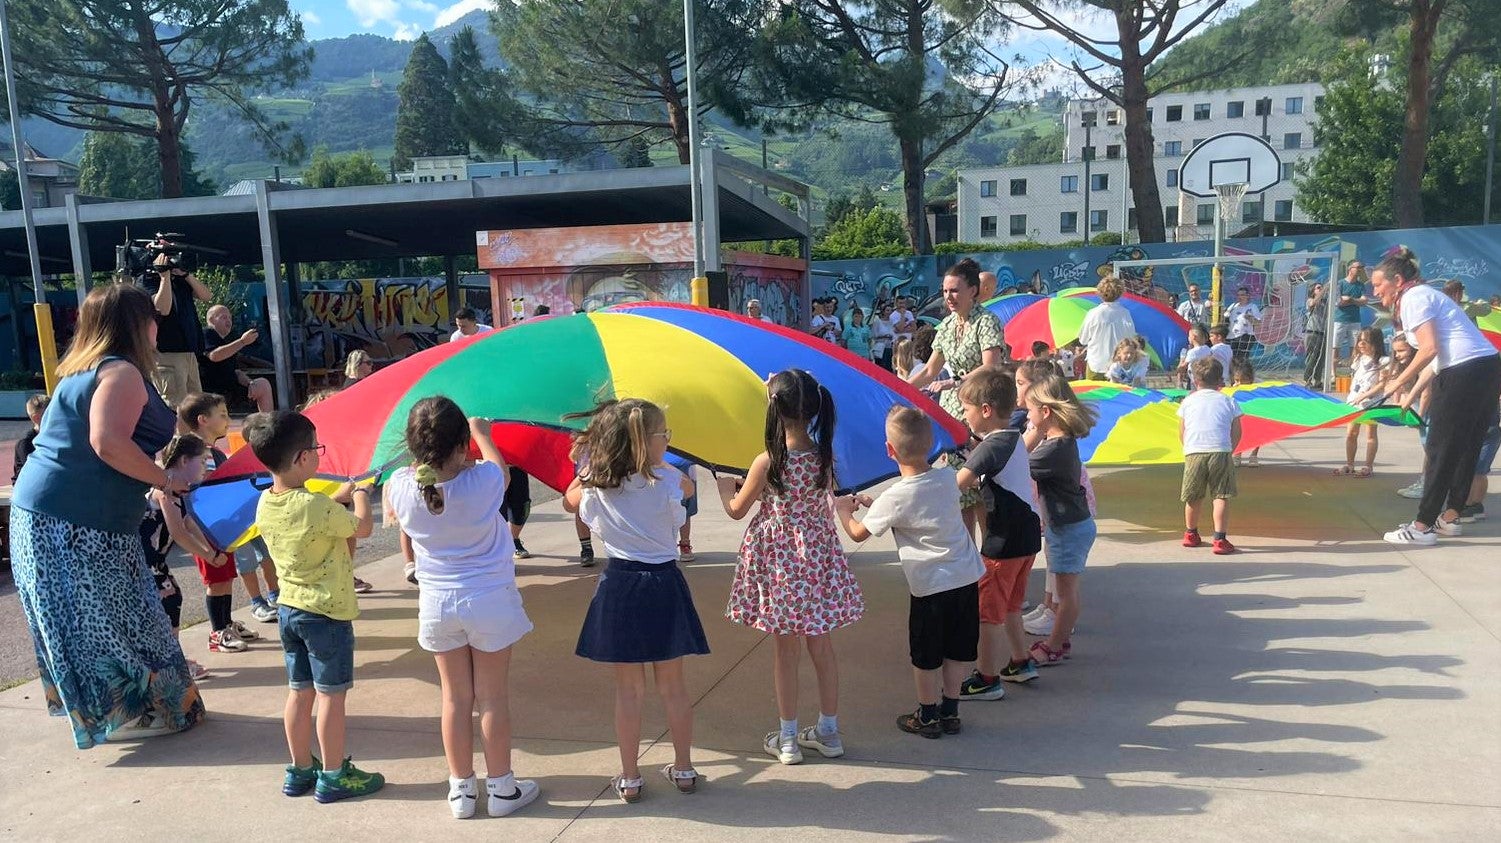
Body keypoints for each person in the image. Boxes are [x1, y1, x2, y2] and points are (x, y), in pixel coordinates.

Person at [9, 282, 203, 748]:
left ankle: (139, 711)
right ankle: (150, 710)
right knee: (115, 616)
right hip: (74, 521)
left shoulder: (84, 370)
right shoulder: (121, 374)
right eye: (152, 319)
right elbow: (107, 442)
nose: (159, 326)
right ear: (138, 326)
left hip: (55, 514)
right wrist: (164, 480)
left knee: (110, 615)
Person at [385, 398, 539, 818]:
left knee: (454, 699)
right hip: (489, 599)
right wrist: (483, 432)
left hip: (437, 603)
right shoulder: (484, 480)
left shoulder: (399, 485)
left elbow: (419, 479)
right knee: (492, 698)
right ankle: (503, 788)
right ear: (461, 445)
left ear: (413, 445)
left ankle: (461, 791)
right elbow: (501, 470)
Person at [717, 369, 864, 766]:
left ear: (774, 410)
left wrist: (722, 487)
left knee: (785, 651)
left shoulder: (767, 461)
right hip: (817, 556)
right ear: (815, 407)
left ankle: (787, 738)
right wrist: (788, 388)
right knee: (822, 645)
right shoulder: (824, 455)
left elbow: (736, 510)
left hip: (780, 562)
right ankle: (829, 731)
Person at [565, 398, 707, 802]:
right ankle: (683, 768)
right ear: (648, 443)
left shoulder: (598, 487)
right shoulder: (667, 482)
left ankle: (629, 776)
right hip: (664, 583)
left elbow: (570, 499)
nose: (669, 442)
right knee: (674, 687)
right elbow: (685, 496)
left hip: (620, 584)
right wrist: (663, 470)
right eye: (665, 435)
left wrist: (589, 465)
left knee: (628, 691)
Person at [245, 409, 384, 802]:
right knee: (331, 696)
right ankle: (335, 773)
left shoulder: (266, 503)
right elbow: (363, 527)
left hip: (290, 610)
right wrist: (360, 494)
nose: (319, 454)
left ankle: (301, 769)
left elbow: (310, 512)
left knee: (299, 692)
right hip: (327, 614)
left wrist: (337, 496)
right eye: (316, 448)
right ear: (302, 458)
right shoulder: (314, 507)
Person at [833, 406, 985, 738]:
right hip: (965, 577)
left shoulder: (895, 497)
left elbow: (858, 533)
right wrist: (880, 506)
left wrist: (844, 511)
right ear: (931, 446)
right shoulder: (947, 478)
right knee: (958, 648)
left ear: (889, 450)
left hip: (930, 586)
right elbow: (923, 505)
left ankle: (927, 715)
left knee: (926, 652)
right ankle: (950, 711)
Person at [1371, 247, 1501, 546]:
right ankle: (1451, 516)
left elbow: (1428, 349)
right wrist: (1410, 393)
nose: (1376, 292)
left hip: (1464, 372)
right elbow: (1437, 357)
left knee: (1440, 448)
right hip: (1485, 367)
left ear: (1398, 280)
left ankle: (1422, 525)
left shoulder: (1414, 298)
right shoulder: (1427, 295)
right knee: (1467, 445)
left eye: (1379, 285)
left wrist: (1397, 381)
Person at [953, 369, 1042, 700]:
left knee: (988, 612)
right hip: (1026, 535)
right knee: (1011, 605)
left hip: (1003, 542)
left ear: (986, 409)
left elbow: (956, 485)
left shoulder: (992, 447)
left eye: (966, 409)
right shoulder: (1012, 437)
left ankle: (987, 678)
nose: (964, 415)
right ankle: (1020, 662)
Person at [906, 258, 1007, 536]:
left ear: (973, 290)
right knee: (959, 491)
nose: (948, 297)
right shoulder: (947, 326)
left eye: (955, 290)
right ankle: (969, 561)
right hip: (954, 413)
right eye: (945, 291)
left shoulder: (986, 321)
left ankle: (991, 559)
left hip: (983, 411)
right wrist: (901, 389)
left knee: (984, 488)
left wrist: (955, 381)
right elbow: (929, 370)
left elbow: (991, 368)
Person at [178, 392, 281, 624]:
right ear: (203, 419)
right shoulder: (196, 451)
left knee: (226, 577)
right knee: (218, 580)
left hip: (226, 522)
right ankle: (221, 629)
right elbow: (202, 486)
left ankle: (227, 625)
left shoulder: (211, 450)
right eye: (222, 415)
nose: (227, 420)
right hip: (207, 526)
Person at [1021, 376, 1098, 667]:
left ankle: (1055, 645)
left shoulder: (1053, 450)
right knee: (1067, 589)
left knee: (1066, 595)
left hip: (1068, 529)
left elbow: (1017, 467)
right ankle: (1060, 637)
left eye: (1030, 409)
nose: (1027, 415)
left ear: (1046, 412)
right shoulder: (1059, 441)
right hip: (1070, 526)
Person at [143, 434, 220, 682]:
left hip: (156, 563)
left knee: (171, 598)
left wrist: (213, 549)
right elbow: (178, 532)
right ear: (184, 460)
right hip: (144, 565)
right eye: (202, 461)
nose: (206, 467)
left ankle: (172, 658)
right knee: (169, 598)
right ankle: (172, 663)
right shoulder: (164, 490)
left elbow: (189, 522)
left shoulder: (179, 490)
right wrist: (208, 555)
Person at [1179, 358, 1243, 555]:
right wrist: (1230, 449)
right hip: (1220, 451)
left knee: (1193, 496)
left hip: (1194, 452)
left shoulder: (1188, 401)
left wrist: (1188, 447)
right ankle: (1220, 539)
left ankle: (1191, 534)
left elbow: (1182, 430)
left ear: (1196, 381)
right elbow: (1237, 430)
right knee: (1220, 495)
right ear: (1220, 381)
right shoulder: (1228, 400)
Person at [142, 253, 213, 407]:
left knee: (197, 406)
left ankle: (193, 432)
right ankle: (176, 432)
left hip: (189, 352)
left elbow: (207, 296)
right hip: (167, 354)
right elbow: (162, 309)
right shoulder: (148, 280)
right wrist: (164, 277)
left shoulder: (181, 281)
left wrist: (186, 275)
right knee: (176, 405)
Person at [201, 305, 274, 413]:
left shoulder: (227, 341)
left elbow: (236, 371)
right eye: (224, 317)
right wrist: (242, 342)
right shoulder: (207, 333)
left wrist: (250, 383)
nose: (229, 321)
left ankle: (267, 425)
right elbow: (214, 356)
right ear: (211, 320)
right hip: (212, 391)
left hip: (231, 389)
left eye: (230, 318)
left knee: (262, 385)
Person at [1077, 275, 1136, 379]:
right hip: (1118, 364)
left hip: (1096, 363)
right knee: (1118, 395)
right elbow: (1131, 338)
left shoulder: (1093, 313)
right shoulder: (1125, 313)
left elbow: (1083, 340)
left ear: (1100, 293)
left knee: (1093, 395)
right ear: (1120, 293)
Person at [1332, 261, 1368, 369]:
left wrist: (1350, 299)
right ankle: (1333, 373)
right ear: (1350, 269)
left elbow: (1364, 301)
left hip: (1355, 320)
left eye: (1362, 267)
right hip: (1339, 320)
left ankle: (1353, 372)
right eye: (1358, 267)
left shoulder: (1360, 285)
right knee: (1335, 348)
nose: (1360, 269)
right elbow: (1339, 302)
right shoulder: (1340, 283)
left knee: (1355, 348)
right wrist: (1356, 301)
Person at [1230, 360, 1262, 468]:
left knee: (1258, 434)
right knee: (1239, 432)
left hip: (1255, 414)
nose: (1239, 383)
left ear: (1251, 379)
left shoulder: (1258, 386)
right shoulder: (1234, 387)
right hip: (1242, 414)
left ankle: (1254, 455)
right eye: (1237, 380)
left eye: (1243, 381)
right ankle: (1237, 454)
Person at [11, 393, 48, 483]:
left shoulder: (53, 437)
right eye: (49, 414)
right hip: (29, 489)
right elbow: (36, 471)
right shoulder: (26, 443)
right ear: (36, 418)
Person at [1224, 286, 1263, 362]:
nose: (1240, 297)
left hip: (1245, 336)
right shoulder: (1233, 306)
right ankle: (1233, 373)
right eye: (1238, 295)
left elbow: (1258, 323)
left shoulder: (1252, 307)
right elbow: (1225, 316)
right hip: (1231, 336)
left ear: (1248, 296)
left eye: (1242, 295)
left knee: (1242, 358)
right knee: (1232, 358)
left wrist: (1250, 318)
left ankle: (1243, 372)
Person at [1303, 282, 1329, 390]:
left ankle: (1318, 380)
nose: (1321, 289)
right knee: (1312, 357)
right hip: (1312, 332)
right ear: (1313, 291)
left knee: (1321, 358)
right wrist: (1325, 288)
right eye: (1318, 288)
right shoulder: (1310, 300)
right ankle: (1307, 380)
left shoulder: (1326, 303)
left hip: (1323, 333)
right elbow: (1312, 303)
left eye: (1321, 287)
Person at [871, 301, 896, 370]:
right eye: (887, 310)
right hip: (880, 348)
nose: (889, 312)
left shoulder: (893, 322)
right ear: (883, 311)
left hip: (890, 348)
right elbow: (873, 335)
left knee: (889, 368)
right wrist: (884, 336)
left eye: (891, 311)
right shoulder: (878, 322)